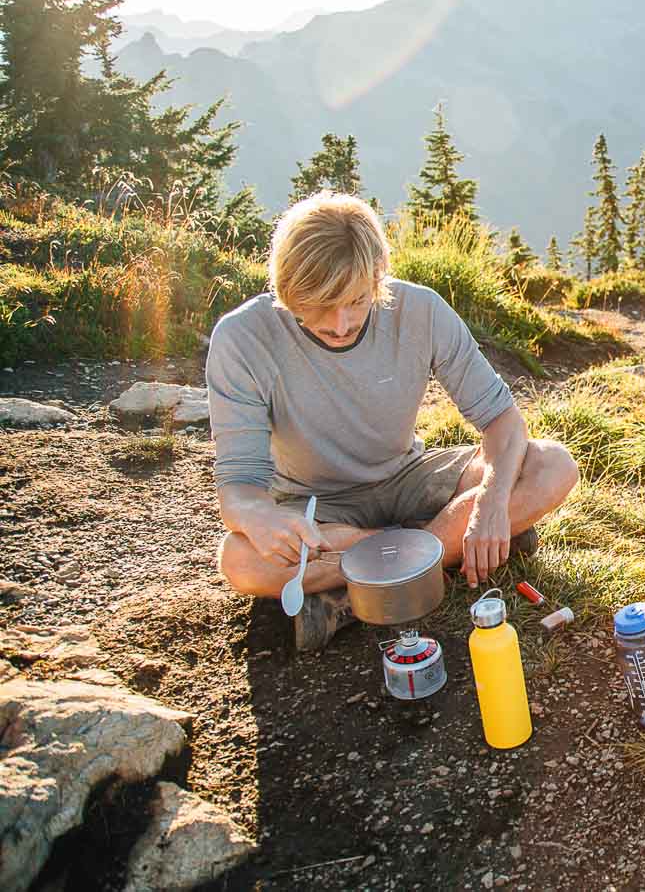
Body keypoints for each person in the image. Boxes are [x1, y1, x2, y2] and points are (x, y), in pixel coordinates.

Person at [208, 192, 578, 649]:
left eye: (358, 301)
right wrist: (258, 514)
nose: (340, 323)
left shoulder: (419, 310)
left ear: (378, 277)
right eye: (319, 304)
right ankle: (442, 550)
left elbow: (501, 418)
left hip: (408, 476)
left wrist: (489, 501)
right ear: (285, 287)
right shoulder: (242, 338)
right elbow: (238, 485)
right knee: (241, 559)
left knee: (552, 465)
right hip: (315, 506)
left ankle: (366, 582)